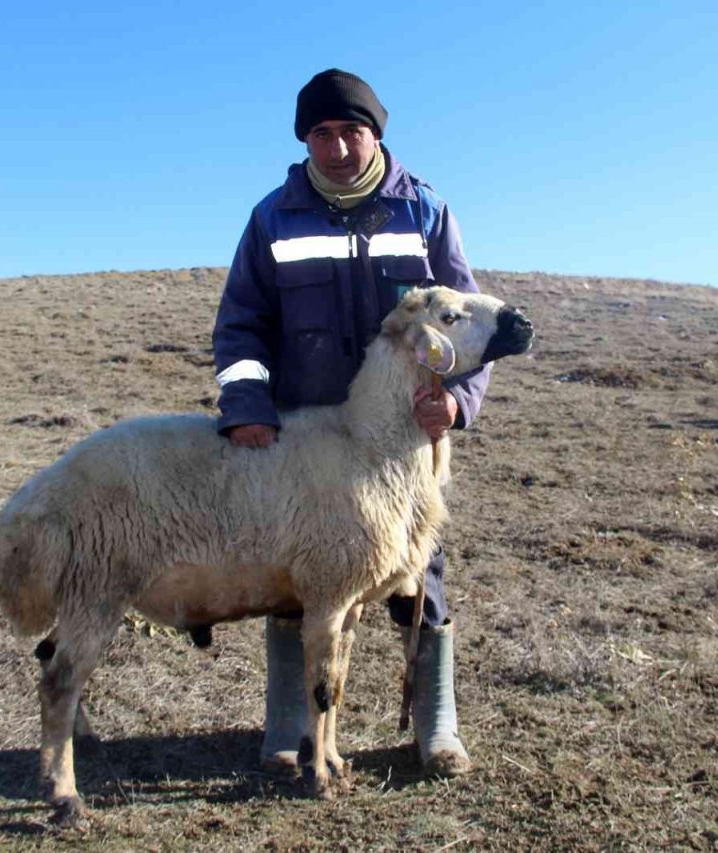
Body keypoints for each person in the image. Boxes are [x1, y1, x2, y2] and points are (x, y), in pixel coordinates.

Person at [211, 68, 490, 778]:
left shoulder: (424, 211)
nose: (336, 147)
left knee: (418, 570)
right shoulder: (275, 216)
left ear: (377, 133)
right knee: (294, 567)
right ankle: (288, 725)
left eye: (351, 131)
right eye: (321, 133)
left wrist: (458, 402)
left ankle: (436, 724)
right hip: (306, 439)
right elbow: (241, 323)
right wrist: (245, 406)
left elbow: (468, 328)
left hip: (400, 441)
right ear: (305, 138)